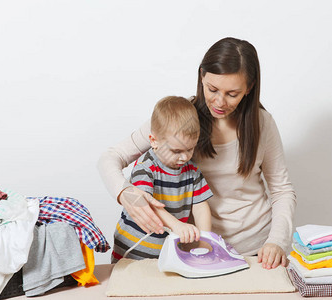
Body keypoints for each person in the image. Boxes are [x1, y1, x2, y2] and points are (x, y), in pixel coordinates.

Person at [99, 37, 296, 269]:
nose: (220, 102)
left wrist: (276, 242)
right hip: (193, 250)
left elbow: (282, 191)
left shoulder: (262, 124)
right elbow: (111, 157)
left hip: (254, 251)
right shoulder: (179, 119)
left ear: (249, 88)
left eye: (232, 94)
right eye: (212, 89)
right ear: (202, 75)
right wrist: (125, 193)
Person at [111, 96, 213, 263]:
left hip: (166, 254)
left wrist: (205, 242)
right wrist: (177, 225)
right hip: (131, 254)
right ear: (154, 141)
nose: (184, 157)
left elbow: (201, 208)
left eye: (190, 149)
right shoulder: (145, 168)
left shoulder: (192, 172)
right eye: (176, 151)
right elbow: (146, 204)